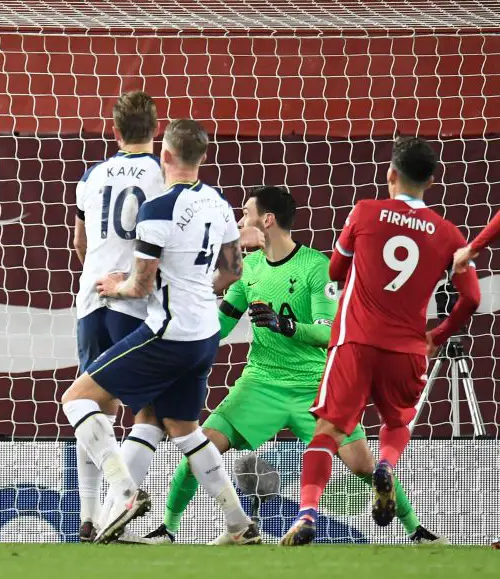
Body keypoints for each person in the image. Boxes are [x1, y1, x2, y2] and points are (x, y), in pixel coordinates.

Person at [148, 186, 443, 545]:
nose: (241, 221)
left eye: (246, 213)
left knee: (365, 467)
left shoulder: (316, 268)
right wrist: (178, 332)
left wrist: (284, 324)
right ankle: (168, 529)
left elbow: (328, 332)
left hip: (313, 386)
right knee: (200, 447)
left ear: (267, 220)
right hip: (260, 384)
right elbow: (220, 325)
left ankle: (418, 532)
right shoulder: (248, 267)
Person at [61, 118, 259, 545]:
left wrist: (117, 285)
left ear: (165, 155)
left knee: (76, 399)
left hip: (167, 334)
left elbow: (141, 284)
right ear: (202, 156)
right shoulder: (218, 202)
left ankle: (125, 491)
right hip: (205, 333)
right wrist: (194, 290)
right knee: (185, 429)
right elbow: (232, 271)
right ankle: (239, 525)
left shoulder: (156, 211)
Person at [282, 137, 481, 546]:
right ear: (431, 180)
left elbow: (336, 270)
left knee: (327, 430)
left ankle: (306, 515)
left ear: (390, 173)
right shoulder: (449, 235)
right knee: (397, 422)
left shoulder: (365, 212)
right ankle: (385, 465)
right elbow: (473, 298)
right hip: (407, 348)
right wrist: (438, 334)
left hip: (354, 340)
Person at [70, 91, 167, 542]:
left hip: (91, 301)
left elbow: (80, 244)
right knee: (150, 411)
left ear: (114, 131)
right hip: (137, 304)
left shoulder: (91, 175)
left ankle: (89, 517)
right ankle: (120, 500)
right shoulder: (163, 176)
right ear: (156, 129)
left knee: (93, 406)